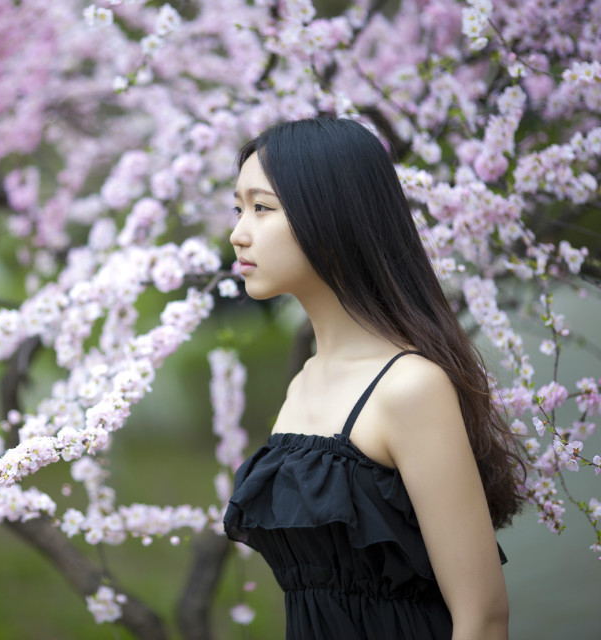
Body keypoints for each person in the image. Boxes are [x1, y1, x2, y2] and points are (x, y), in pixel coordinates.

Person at [222, 116, 525, 640]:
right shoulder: (304, 383)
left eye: (262, 208)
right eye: (239, 207)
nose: (237, 232)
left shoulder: (409, 387)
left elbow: (483, 619)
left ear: (332, 215)